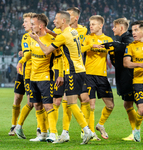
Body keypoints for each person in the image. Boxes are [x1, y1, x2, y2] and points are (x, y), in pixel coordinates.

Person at [29, 11, 94, 145]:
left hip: (72, 72)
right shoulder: (72, 32)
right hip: (80, 70)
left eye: (56, 19)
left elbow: (47, 51)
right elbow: (60, 37)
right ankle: (65, 133)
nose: (54, 21)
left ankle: (87, 131)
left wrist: (37, 40)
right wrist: (50, 32)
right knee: (66, 101)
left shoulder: (63, 36)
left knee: (71, 103)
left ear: (63, 21)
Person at [103, 18, 143, 141]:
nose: (112, 29)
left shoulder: (127, 38)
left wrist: (114, 45)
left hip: (130, 76)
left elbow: (128, 49)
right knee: (128, 104)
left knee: (137, 103)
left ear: (121, 28)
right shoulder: (122, 39)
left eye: (114, 27)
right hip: (125, 75)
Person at [17, 13, 64, 142]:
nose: (31, 26)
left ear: (41, 25)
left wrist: (60, 75)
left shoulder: (51, 39)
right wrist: (21, 61)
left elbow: (59, 59)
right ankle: (43, 134)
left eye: (33, 24)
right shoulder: (32, 37)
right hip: (33, 77)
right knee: (37, 105)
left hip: (46, 77)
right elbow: (30, 54)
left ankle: (53, 133)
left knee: (48, 106)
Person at [81, 15, 114, 140]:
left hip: (102, 76)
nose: (91, 26)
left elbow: (113, 52)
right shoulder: (88, 38)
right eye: (90, 24)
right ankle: (90, 132)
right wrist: (91, 46)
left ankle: (100, 125)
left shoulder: (108, 39)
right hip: (88, 74)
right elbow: (80, 49)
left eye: (93, 24)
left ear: (101, 25)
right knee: (91, 104)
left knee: (110, 105)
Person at [8, 12, 35, 137]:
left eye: (26, 21)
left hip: (33, 72)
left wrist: (24, 56)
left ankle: (39, 128)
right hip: (22, 71)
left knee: (34, 101)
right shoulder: (25, 36)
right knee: (17, 98)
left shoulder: (39, 36)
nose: (23, 24)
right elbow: (27, 52)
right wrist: (23, 54)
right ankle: (13, 126)